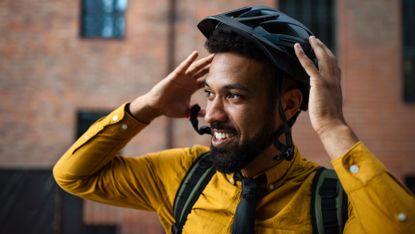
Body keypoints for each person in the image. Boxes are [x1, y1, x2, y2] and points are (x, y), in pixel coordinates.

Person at [53, 6, 414, 233]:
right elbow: (73, 175)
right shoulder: (183, 175)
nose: (212, 114)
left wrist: (333, 127)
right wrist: (147, 106)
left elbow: (402, 225)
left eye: (234, 96)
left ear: (289, 106)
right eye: (209, 93)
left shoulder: (335, 199)